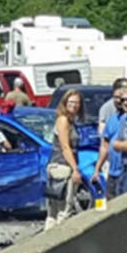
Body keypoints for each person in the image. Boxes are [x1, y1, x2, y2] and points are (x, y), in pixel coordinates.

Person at [44, 88, 84, 230]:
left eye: (77, 103)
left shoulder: (71, 121)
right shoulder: (63, 120)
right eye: (71, 102)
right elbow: (65, 147)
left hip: (60, 166)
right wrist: (75, 169)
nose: (74, 105)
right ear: (65, 103)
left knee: (54, 212)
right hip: (61, 166)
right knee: (63, 211)